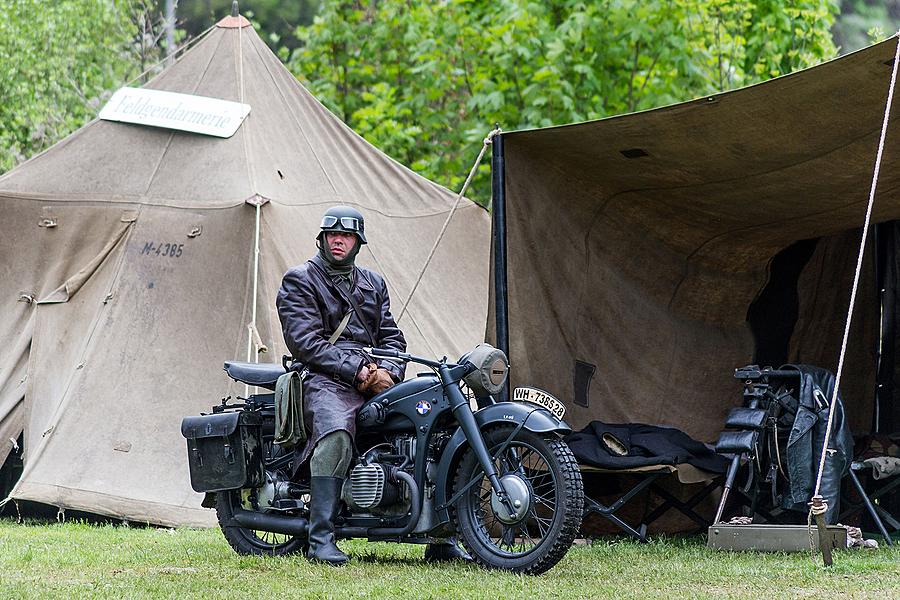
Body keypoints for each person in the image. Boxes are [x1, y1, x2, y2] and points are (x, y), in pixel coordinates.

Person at [276, 205, 469, 565]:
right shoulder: (300, 279)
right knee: (335, 433)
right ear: (321, 238)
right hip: (323, 378)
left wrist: (390, 373)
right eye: (332, 234)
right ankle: (320, 537)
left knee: (436, 429)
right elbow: (305, 342)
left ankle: (440, 535)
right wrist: (358, 371)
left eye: (346, 235)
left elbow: (393, 338)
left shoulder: (372, 283)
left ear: (357, 242)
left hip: (374, 377)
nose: (338, 240)